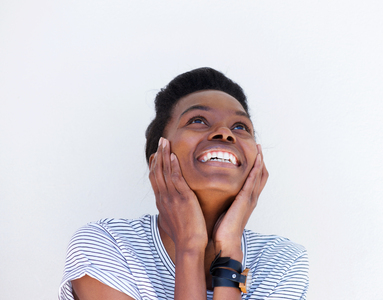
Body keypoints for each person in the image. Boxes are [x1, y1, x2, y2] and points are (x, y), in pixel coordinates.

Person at [59, 67, 309, 300]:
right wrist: (190, 246)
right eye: (198, 120)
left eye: (240, 126)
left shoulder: (281, 261)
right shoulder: (108, 246)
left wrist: (230, 251)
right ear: (158, 159)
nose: (225, 132)